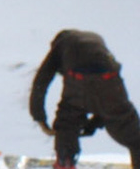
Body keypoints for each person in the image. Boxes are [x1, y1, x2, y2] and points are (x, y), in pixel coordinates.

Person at [30, 29, 140, 169]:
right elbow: (104, 99)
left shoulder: (60, 46)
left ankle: (65, 161)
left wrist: (39, 117)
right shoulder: (94, 39)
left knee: (68, 118)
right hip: (111, 79)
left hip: (78, 79)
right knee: (130, 131)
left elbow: (41, 81)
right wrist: (93, 123)